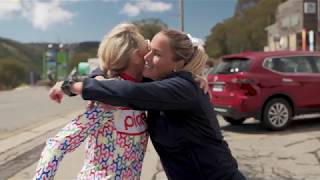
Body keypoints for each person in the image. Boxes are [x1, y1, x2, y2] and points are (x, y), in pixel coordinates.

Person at [54, 29, 246, 180]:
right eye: (148, 50)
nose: (147, 58)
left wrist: (73, 86)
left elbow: (131, 93)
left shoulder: (183, 88)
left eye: (156, 54)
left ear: (178, 63)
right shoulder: (159, 84)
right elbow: (114, 70)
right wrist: (95, 77)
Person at [34, 23, 150, 180]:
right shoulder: (107, 98)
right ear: (136, 56)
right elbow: (56, 145)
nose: (150, 53)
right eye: (147, 47)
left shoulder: (143, 91)